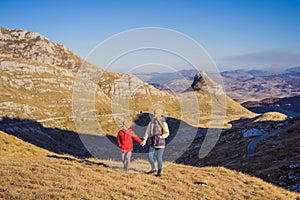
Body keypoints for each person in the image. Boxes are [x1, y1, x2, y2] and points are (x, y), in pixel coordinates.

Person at [141, 109, 169, 177]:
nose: (154, 115)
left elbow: (167, 132)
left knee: (159, 158)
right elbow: (147, 131)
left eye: (155, 114)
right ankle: (153, 168)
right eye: (154, 114)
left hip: (160, 142)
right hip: (152, 141)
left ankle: (159, 172)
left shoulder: (164, 123)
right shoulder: (151, 122)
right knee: (150, 157)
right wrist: (144, 139)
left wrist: (162, 137)